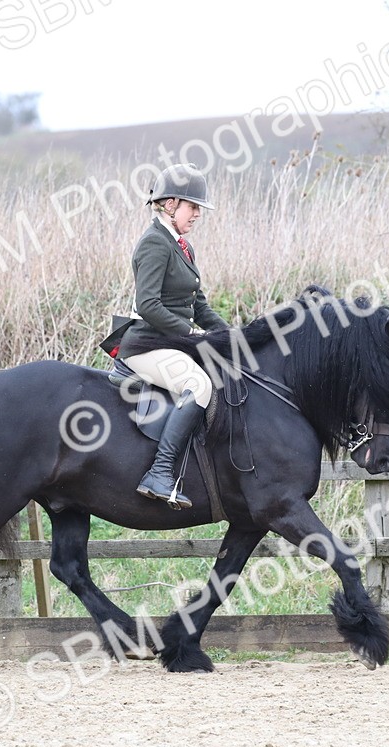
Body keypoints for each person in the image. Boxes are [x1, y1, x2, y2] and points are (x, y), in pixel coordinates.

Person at [117, 163, 229, 509]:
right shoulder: (154, 243)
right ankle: (160, 473)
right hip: (146, 345)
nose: (197, 214)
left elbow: (199, 305)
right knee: (199, 385)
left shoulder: (183, 247)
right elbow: (148, 304)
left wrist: (233, 336)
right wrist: (190, 334)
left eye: (198, 208)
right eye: (193, 206)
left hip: (172, 342)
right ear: (169, 204)